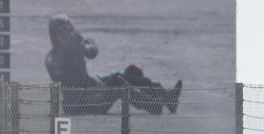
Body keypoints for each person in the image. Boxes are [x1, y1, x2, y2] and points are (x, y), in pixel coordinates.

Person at [45, 14, 182, 115]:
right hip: (83, 105)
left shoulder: (77, 46)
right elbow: (67, 80)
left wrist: (79, 41)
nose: (68, 34)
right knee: (117, 80)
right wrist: (71, 53)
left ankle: (168, 98)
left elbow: (92, 52)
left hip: (93, 92)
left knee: (130, 72)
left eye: (70, 30)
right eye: (64, 31)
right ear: (55, 36)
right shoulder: (53, 58)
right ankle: (153, 105)